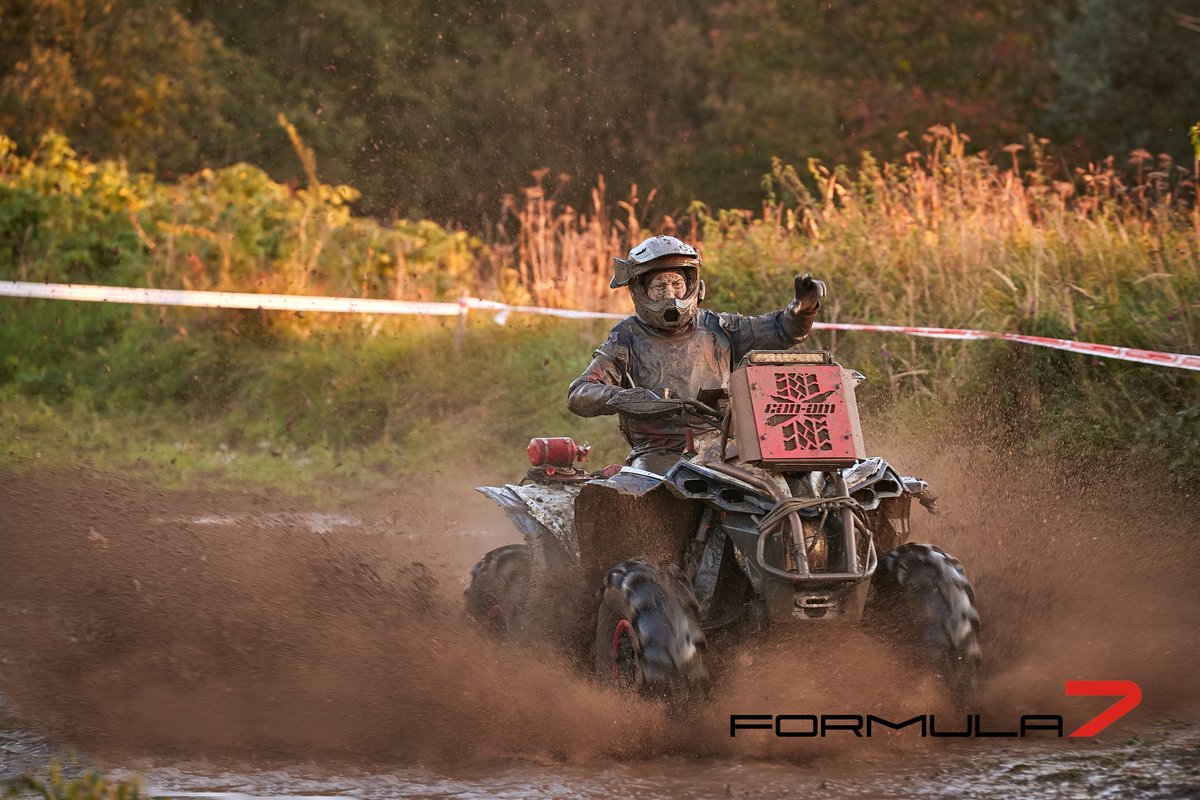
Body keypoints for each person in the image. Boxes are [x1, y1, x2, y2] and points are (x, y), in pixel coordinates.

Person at [567, 235, 825, 473]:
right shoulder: (626, 337)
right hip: (657, 451)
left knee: (776, 485)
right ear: (640, 290)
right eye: (659, 286)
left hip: (721, 445)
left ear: (692, 285)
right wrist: (623, 397)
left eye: (676, 283)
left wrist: (802, 309)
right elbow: (579, 392)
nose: (670, 294)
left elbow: (781, 331)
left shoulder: (720, 327)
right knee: (649, 497)